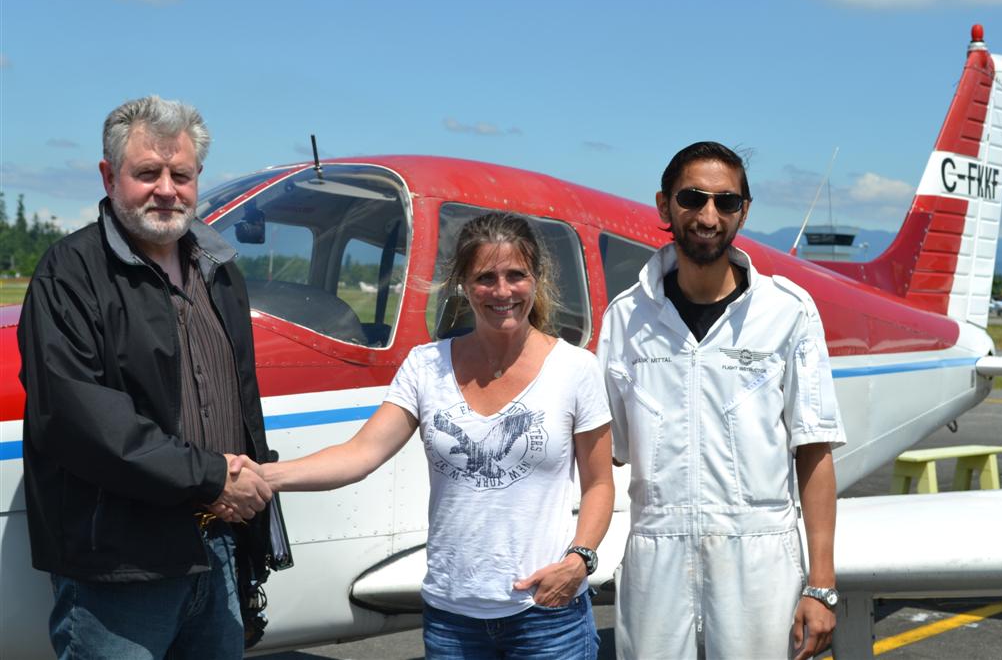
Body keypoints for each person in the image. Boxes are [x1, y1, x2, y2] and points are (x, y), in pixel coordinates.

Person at [254, 212, 614, 659]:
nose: (502, 291)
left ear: (536, 279)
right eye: (485, 278)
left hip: (546, 612)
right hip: (452, 619)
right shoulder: (425, 366)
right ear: (462, 283)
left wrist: (580, 561)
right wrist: (264, 477)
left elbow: (599, 484)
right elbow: (360, 454)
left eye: (516, 275)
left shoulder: (576, 369)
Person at [18, 95, 275, 659]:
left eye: (180, 174)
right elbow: (78, 420)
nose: (166, 189)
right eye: (147, 173)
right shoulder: (70, 273)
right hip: (120, 572)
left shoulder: (220, 270)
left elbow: (241, 401)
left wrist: (252, 495)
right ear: (110, 176)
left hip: (218, 550)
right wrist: (211, 476)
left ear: (198, 178)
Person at [597, 141, 846, 660]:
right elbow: (605, 452)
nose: (709, 215)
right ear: (665, 205)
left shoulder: (788, 312)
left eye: (726, 202)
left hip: (760, 556)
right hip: (654, 552)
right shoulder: (625, 318)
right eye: (692, 198)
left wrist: (820, 584)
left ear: (744, 212)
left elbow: (814, 449)